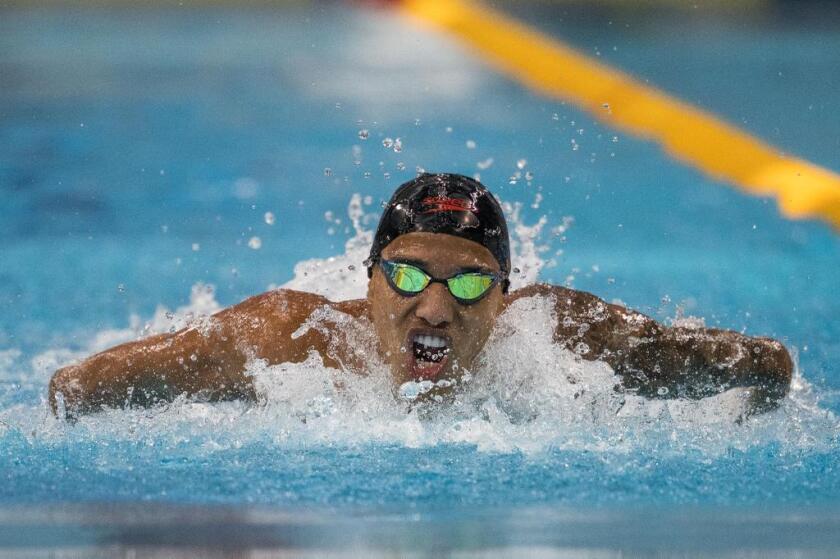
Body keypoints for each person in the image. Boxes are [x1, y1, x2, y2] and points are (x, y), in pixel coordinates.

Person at [49, 173, 793, 420]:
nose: (434, 310)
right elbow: (73, 389)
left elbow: (766, 365)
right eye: (406, 277)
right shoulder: (285, 339)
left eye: (468, 284)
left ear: (503, 298)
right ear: (369, 278)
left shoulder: (564, 337)